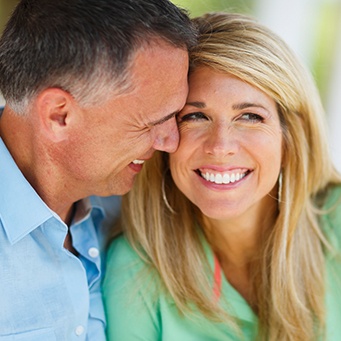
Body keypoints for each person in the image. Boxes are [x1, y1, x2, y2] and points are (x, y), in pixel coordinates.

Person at [103, 12, 341, 341]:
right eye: (196, 116)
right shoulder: (134, 272)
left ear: (290, 136)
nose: (220, 146)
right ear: (165, 136)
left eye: (249, 116)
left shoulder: (336, 222)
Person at [0, 0, 197, 340]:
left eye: (177, 116)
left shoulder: (138, 203)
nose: (172, 142)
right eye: (154, 121)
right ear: (59, 116)